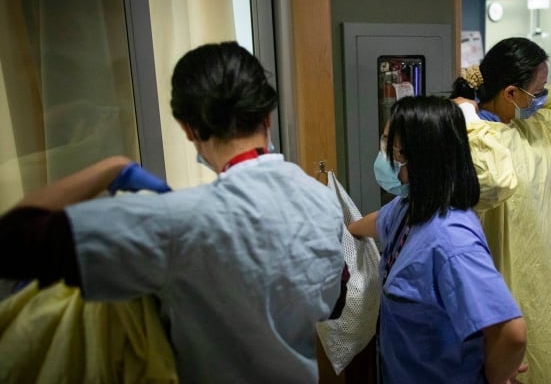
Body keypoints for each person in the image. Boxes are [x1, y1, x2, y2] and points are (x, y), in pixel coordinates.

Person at [0, 41, 345, 383]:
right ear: (266, 116)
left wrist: (113, 167)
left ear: (188, 129)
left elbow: (14, 242)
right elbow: (336, 304)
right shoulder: (323, 201)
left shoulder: (179, 224)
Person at [348, 96, 528, 384]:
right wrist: (347, 230)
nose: (382, 153)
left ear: (413, 155)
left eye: (386, 144)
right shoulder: (412, 207)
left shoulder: (451, 242)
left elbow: (511, 333)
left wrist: (495, 377)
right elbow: (378, 222)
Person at [450, 37, 551, 384]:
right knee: (503, 365)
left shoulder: (534, 127)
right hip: (499, 275)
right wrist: (470, 112)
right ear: (511, 92)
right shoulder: (475, 139)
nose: (543, 98)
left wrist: (530, 91)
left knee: (539, 354)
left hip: (541, 276)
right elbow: (493, 182)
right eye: (538, 90)